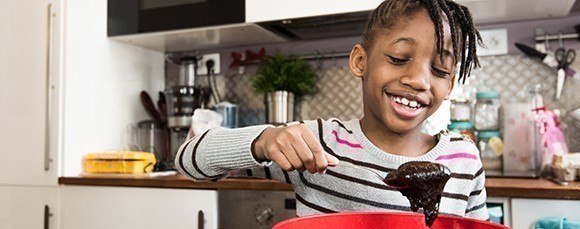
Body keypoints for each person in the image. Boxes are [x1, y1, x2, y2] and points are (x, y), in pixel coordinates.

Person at [175, 0, 489, 221]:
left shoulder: (463, 159)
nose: (418, 80)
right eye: (398, 58)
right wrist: (264, 140)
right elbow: (188, 159)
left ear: (449, 86)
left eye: (439, 68)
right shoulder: (317, 144)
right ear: (360, 61)